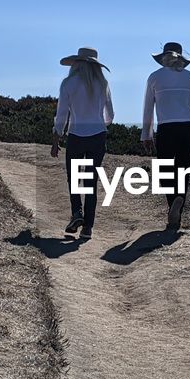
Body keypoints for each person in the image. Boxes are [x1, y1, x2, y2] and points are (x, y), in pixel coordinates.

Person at [51, 47, 113, 240]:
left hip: (76, 135)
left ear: (76, 63)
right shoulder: (103, 83)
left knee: (74, 179)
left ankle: (77, 213)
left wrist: (56, 138)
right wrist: (99, 123)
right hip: (97, 136)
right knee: (90, 181)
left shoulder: (68, 83)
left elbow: (61, 115)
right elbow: (110, 115)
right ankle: (88, 228)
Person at [142, 41, 190, 232]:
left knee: (165, 171)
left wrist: (146, 134)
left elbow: (148, 108)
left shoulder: (154, 77)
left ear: (163, 58)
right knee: (183, 168)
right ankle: (179, 204)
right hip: (188, 127)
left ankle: (173, 207)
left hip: (167, 128)